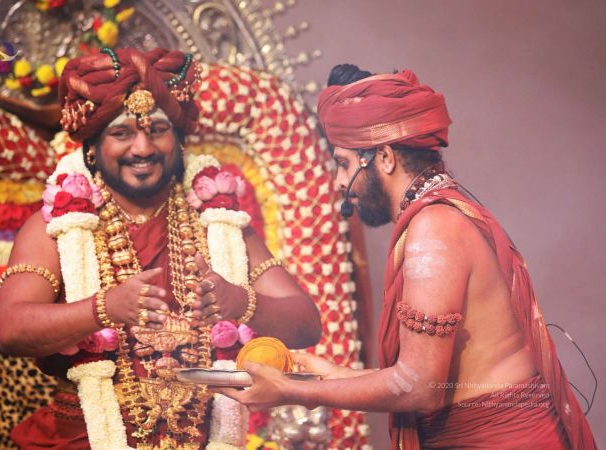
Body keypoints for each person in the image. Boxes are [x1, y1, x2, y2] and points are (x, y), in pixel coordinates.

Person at [215, 65, 597, 449]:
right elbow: (423, 377)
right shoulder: (440, 215)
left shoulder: (434, 227)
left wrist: (292, 391)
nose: (339, 182)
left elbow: (419, 388)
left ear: (384, 157)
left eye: (343, 163)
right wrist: (331, 376)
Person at [0, 47, 321, 450]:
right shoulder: (57, 226)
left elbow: (307, 323)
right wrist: (103, 308)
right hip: (86, 437)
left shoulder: (217, 222)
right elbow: (10, 329)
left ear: (179, 140)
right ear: (92, 146)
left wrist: (239, 301)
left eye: (158, 130)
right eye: (122, 133)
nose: (143, 148)